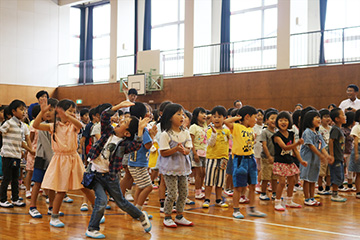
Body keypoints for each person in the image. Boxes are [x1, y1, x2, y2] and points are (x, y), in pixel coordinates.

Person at [85, 100, 152, 238]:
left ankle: (140, 216)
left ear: (127, 133)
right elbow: (104, 116)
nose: (121, 121)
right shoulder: (107, 132)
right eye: (122, 119)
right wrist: (119, 106)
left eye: (124, 123)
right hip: (95, 174)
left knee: (121, 202)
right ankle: (92, 228)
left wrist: (140, 130)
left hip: (111, 177)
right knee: (102, 200)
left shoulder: (124, 144)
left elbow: (136, 145)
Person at [33, 98, 95, 228]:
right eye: (69, 111)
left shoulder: (73, 126)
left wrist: (68, 115)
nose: (72, 113)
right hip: (60, 159)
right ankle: (54, 216)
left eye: (74, 111)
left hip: (74, 158)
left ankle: (97, 212)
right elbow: (36, 125)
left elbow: (79, 125)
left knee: (86, 187)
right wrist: (42, 112)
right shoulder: (53, 126)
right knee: (61, 190)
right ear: (60, 113)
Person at [224, 106, 267, 219]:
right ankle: (236, 210)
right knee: (238, 186)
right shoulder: (237, 127)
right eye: (255, 117)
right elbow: (226, 121)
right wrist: (237, 117)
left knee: (252, 185)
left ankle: (252, 208)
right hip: (239, 160)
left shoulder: (251, 130)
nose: (256, 119)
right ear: (247, 117)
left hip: (250, 158)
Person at [158, 103, 193, 228]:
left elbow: (189, 148)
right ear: (169, 117)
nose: (182, 117)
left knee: (184, 192)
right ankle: (167, 216)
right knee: (172, 194)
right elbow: (163, 152)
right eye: (178, 114)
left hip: (183, 167)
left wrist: (185, 151)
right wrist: (176, 149)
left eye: (182, 114)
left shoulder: (186, 132)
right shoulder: (165, 134)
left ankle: (179, 216)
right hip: (170, 168)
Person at [28, 98, 58, 218]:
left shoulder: (57, 125)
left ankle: (51, 206)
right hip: (43, 158)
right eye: (47, 110)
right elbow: (46, 146)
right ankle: (32, 207)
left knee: (51, 184)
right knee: (37, 183)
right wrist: (53, 161)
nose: (48, 113)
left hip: (53, 159)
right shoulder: (43, 126)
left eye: (51, 110)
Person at [0, 100, 34, 208]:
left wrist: (29, 149)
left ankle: (15, 199)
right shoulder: (9, 123)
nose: (24, 112)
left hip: (16, 156)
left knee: (15, 179)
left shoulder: (23, 126)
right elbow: (1, 131)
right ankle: (2, 199)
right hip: (7, 155)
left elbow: (23, 141)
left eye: (25, 110)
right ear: (14, 111)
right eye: (21, 109)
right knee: (7, 178)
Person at [272, 112, 307, 211]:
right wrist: (297, 144)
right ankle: (277, 202)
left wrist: (301, 161)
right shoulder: (276, 136)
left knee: (292, 181)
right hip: (280, 162)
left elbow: (295, 150)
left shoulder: (291, 134)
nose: (283, 122)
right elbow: (285, 147)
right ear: (277, 122)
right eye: (281, 120)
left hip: (289, 161)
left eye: (286, 120)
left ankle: (289, 201)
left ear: (289, 122)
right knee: (282, 182)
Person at [300, 110, 334, 206]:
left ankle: (312, 197)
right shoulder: (307, 132)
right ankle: (306, 198)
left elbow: (321, 146)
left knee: (313, 179)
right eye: (316, 117)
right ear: (310, 120)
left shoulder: (317, 133)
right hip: (307, 159)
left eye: (319, 117)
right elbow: (311, 145)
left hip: (315, 160)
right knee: (306, 179)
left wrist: (327, 156)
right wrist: (320, 155)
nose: (319, 119)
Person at [202, 106, 230, 208]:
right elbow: (211, 143)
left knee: (220, 181)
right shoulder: (209, 130)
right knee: (209, 180)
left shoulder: (226, 131)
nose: (217, 119)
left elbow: (232, 138)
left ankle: (218, 200)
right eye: (214, 116)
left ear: (224, 118)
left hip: (223, 159)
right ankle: (207, 199)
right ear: (211, 118)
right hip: (211, 158)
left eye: (219, 116)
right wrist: (214, 134)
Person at [328, 108, 347, 202]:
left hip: (339, 156)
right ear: (337, 119)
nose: (345, 117)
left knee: (340, 175)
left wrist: (342, 155)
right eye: (343, 115)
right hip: (335, 158)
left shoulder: (339, 129)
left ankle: (336, 193)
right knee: (336, 175)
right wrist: (331, 155)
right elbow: (331, 141)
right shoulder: (335, 129)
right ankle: (334, 195)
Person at [258, 111, 278, 201]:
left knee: (275, 177)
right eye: (272, 118)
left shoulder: (278, 132)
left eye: (276, 119)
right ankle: (263, 193)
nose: (274, 121)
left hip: (276, 158)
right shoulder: (265, 132)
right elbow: (264, 145)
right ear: (266, 120)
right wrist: (269, 156)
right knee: (265, 177)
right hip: (266, 158)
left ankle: (274, 193)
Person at [189, 107, 208, 199]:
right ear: (196, 116)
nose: (205, 115)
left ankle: (200, 187)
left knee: (203, 173)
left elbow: (210, 116)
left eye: (205, 113)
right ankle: (197, 192)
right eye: (202, 113)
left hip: (205, 152)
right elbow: (191, 141)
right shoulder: (193, 127)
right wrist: (194, 154)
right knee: (198, 173)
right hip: (196, 152)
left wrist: (206, 116)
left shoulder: (205, 126)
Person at [317, 109, 332, 195]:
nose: (327, 119)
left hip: (330, 153)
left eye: (329, 116)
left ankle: (327, 187)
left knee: (329, 172)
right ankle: (320, 187)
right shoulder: (319, 129)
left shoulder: (331, 128)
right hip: (322, 153)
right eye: (325, 117)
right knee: (321, 171)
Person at [341, 111, 355, 191]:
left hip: (350, 152)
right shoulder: (343, 130)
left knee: (350, 169)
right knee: (341, 168)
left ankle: (349, 185)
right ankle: (341, 184)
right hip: (343, 152)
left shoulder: (352, 129)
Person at [349, 109, 360, 199]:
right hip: (358, 149)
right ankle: (358, 191)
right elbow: (356, 142)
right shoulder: (356, 127)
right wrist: (356, 154)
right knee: (358, 173)